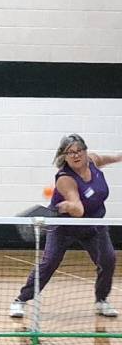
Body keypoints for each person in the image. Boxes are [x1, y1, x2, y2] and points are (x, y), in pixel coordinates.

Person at [10, 134, 122, 318]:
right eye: (70, 152)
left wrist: (119, 156)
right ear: (64, 156)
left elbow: (109, 158)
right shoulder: (65, 179)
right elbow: (78, 210)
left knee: (107, 260)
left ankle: (101, 301)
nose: (76, 155)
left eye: (79, 151)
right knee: (49, 263)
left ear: (85, 151)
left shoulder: (93, 161)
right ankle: (20, 300)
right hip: (64, 226)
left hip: (94, 225)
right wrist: (69, 206)